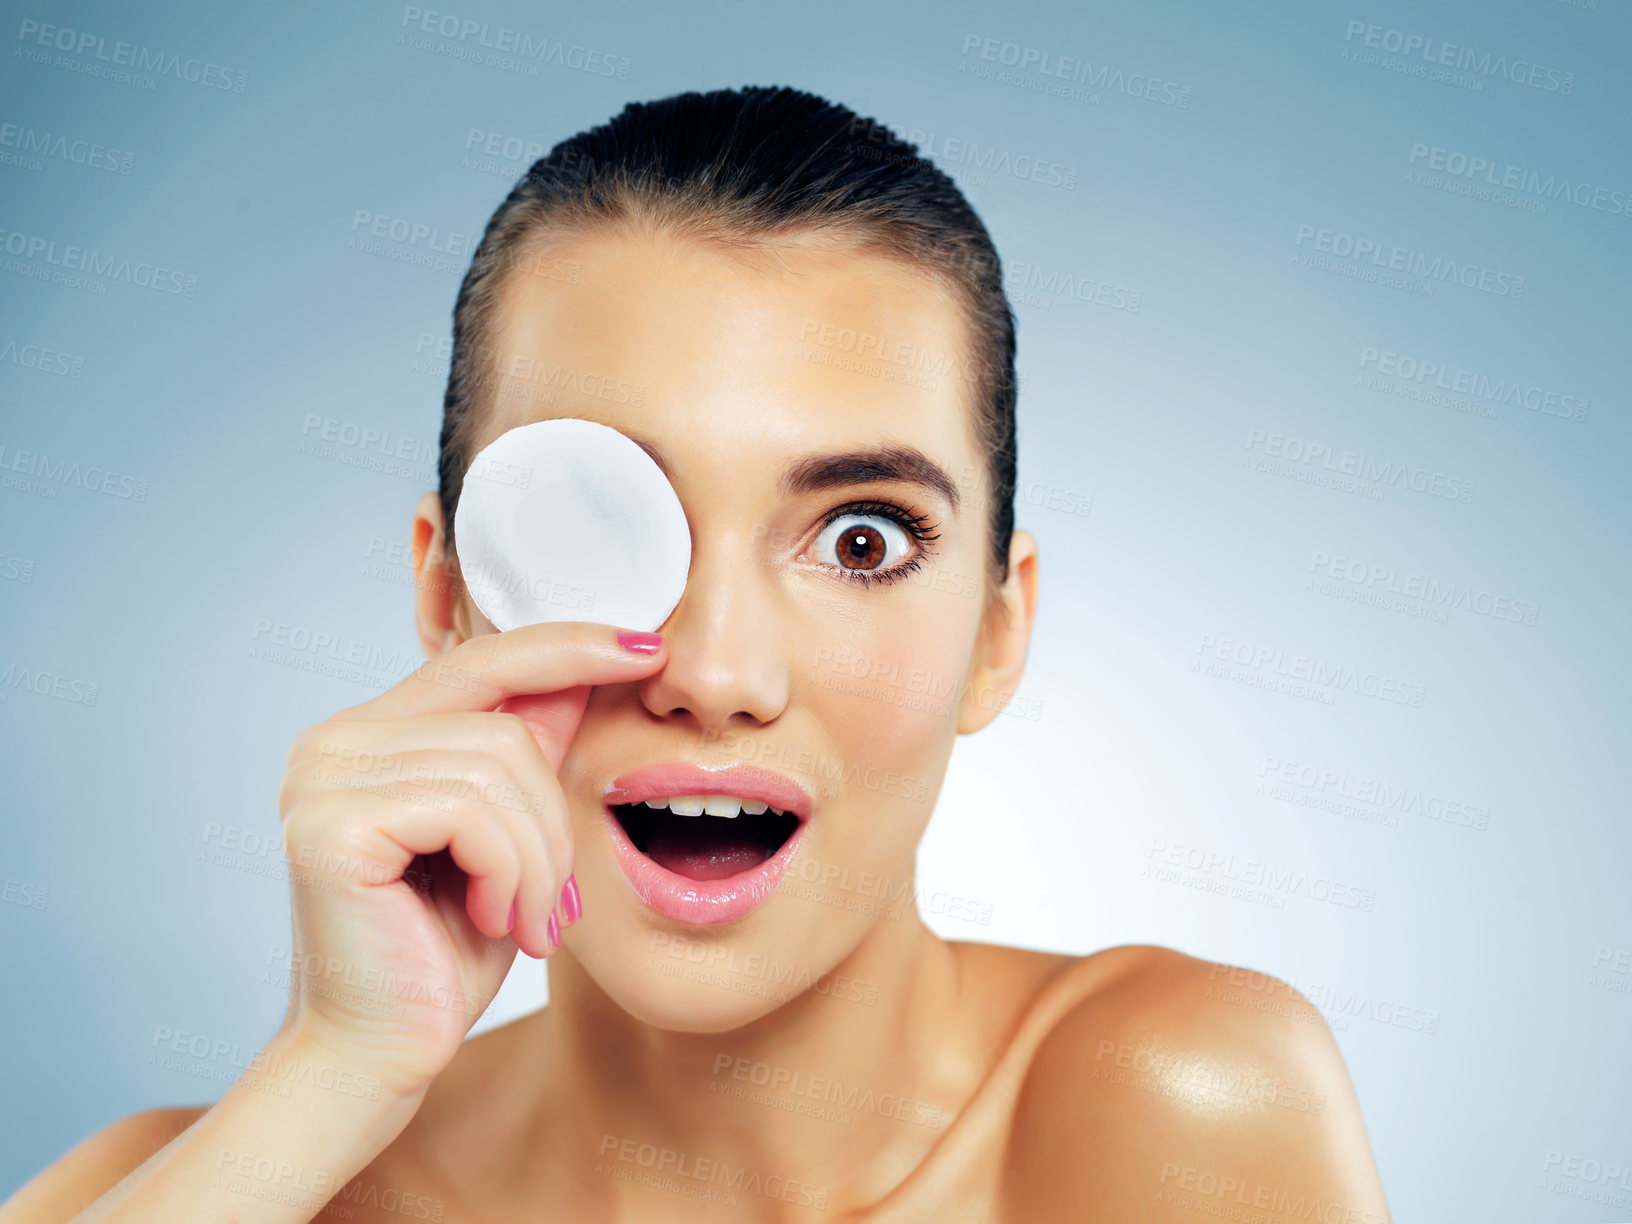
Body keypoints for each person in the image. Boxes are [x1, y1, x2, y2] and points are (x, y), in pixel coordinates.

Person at [3, 85, 1391, 1223]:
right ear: (447, 597)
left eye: (860, 541)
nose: (715, 670)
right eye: (589, 524)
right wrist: (333, 1072)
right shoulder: (187, 1191)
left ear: (997, 631)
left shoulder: (1173, 1109)